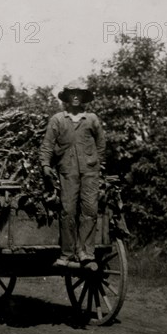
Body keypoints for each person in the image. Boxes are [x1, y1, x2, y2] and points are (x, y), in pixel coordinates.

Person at [39, 80, 106, 269]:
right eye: (72, 93)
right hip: (67, 171)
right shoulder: (58, 120)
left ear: (84, 97)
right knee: (68, 210)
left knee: (90, 210)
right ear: (67, 97)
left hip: (90, 172)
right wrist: (45, 164)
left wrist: (97, 163)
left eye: (79, 93)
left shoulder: (91, 119)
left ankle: (86, 252)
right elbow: (47, 145)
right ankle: (67, 254)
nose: (76, 96)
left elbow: (101, 144)